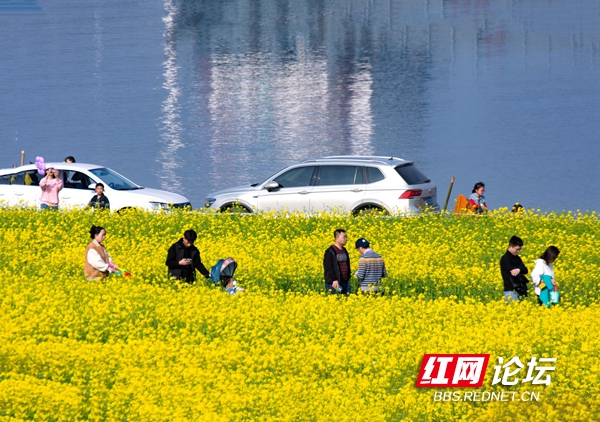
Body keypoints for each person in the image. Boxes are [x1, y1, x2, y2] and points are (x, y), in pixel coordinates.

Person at [500, 235, 529, 303]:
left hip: (521, 289)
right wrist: (519, 269)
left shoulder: (517, 258)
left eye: (520, 249)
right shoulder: (505, 258)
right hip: (511, 291)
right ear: (510, 247)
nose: (518, 251)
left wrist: (519, 270)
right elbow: (512, 272)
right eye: (517, 249)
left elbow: (525, 270)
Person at [323, 228, 351, 295]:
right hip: (334, 283)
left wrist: (348, 278)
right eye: (344, 237)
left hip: (345, 282)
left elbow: (347, 265)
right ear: (337, 238)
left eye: (346, 237)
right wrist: (334, 280)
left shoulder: (344, 250)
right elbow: (328, 267)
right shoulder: (330, 252)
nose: (346, 239)